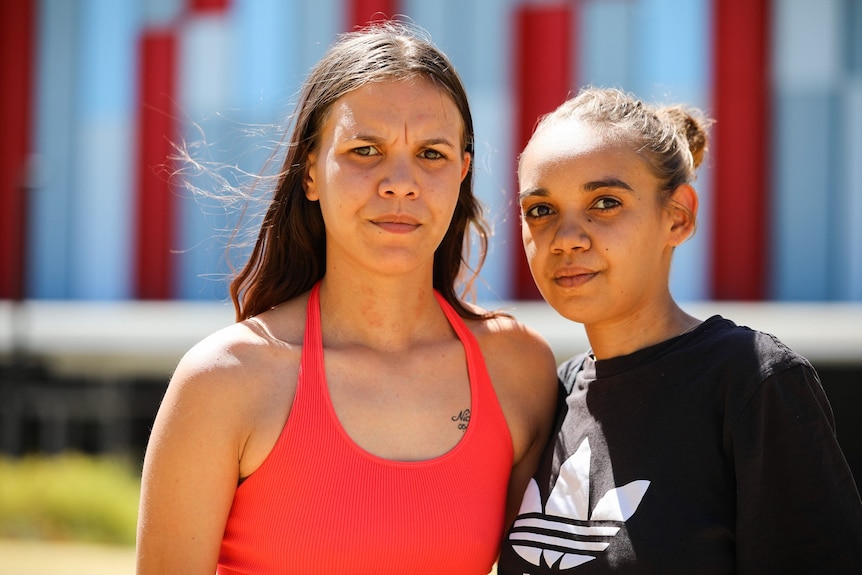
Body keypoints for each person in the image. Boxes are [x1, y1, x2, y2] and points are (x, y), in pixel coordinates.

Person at [135, 23, 558, 575]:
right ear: (310, 171)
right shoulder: (225, 380)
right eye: (365, 150)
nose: (400, 182)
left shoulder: (519, 370)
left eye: (431, 153)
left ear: (462, 174)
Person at [497, 86, 862, 574]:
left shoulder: (752, 381)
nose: (566, 239)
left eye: (604, 203)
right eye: (540, 210)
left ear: (678, 216)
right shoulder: (549, 397)